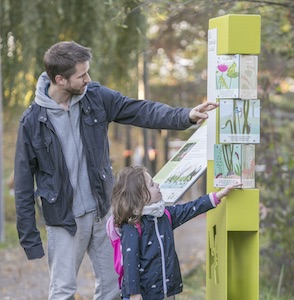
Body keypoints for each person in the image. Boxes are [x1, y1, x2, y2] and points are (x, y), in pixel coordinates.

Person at [14, 41, 218, 300]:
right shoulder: (32, 122)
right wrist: (29, 238)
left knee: (112, 289)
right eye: (82, 75)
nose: (88, 79)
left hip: (104, 213)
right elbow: (23, 184)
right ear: (60, 79)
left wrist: (185, 116)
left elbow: (139, 110)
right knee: (63, 291)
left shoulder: (96, 97)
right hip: (65, 220)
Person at [111, 166, 242, 300]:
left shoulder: (164, 215)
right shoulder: (131, 226)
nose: (157, 185)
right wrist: (134, 292)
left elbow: (190, 209)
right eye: (151, 184)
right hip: (143, 295)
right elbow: (130, 261)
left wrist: (218, 195)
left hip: (166, 292)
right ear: (141, 196)